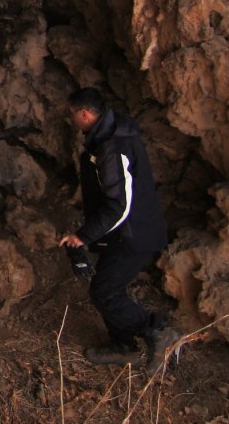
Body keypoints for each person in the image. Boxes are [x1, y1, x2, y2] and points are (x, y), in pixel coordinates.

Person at [58, 87, 179, 366]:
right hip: (128, 231)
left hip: (134, 234)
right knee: (106, 287)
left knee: (105, 291)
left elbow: (118, 205)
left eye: (73, 114)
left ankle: (157, 330)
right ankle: (124, 346)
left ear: (85, 114)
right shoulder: (112, 133)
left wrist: (83, 236)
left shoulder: (111, 147)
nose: (73, 119)